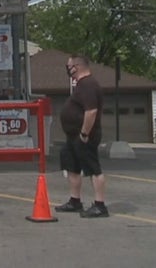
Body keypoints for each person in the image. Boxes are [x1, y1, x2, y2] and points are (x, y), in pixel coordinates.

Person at [56, 55, 108, 218]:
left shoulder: (89, 85)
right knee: (72, 167)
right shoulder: (80, 85)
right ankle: (75, 201)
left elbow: (91, 111)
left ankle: (100, 205)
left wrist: (84, 134)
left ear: (77, 66)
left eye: (69, 66)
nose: (68, 69)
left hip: (85, 136)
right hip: (72, 136)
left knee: (93, 169)